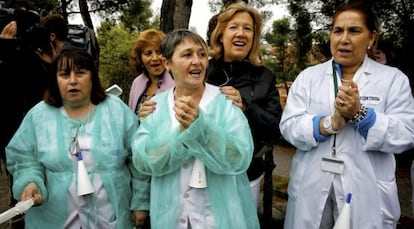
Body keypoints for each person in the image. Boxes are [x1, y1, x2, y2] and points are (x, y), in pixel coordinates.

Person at [279, 1, 414, 228]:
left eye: (354, 31)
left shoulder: (393, 79)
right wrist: (328, 124)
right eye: (337, 31)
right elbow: (289, 127)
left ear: (371, 38)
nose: (344, 39)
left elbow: (406, 133)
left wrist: (361, 115)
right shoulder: (308, 77)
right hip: (311, 186)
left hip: (367, 192)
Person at [5, 47, 150, 228]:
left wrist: (140, 202)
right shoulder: (38, 116)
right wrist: (30, 182)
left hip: (110, 217)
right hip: (53, 218)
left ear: (92, 77)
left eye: (80, 73)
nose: (73, 81)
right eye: (64, 75)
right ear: (55, 80)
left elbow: (139, 159)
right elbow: (24, 159)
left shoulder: (116, 111)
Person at [131, 29, 260, 228]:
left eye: (202, 54)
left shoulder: (225, 102)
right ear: (168, 63)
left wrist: (202, 129)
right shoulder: (155, 107)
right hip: (170, 216)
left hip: (219, 218)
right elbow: (144, 159)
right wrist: (183, 136)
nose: (197, 61)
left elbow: (240, 157)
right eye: (187, 54)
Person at [207, 2, 282, 211]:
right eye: (233, 27)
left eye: (247, 29)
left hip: (248, 174)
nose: (241, 34)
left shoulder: (265, 77)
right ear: (221, 34)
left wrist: (247, 107)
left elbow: (276, 127)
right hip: (204, 173)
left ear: (253, 39)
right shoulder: (203, 71)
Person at [128, 28, 174, 118]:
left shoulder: (176, 81)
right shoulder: (137, 83)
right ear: (140, 58)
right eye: (148, 53)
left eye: (159, 52)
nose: (155, 58)